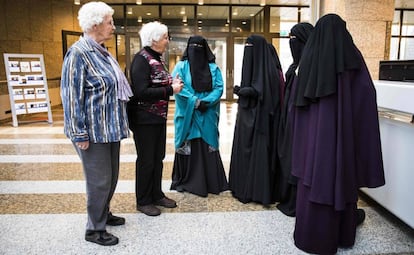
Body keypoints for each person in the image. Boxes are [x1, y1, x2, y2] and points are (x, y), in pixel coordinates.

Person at [291, 14, 385, 254]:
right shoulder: (351, 56)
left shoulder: (309, 59)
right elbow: (367, 94)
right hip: (342, 142)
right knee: (341, 177)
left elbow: (296, 104)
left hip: (313, 145)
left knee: (312, 182)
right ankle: (341, 234)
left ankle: (310, 235)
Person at [60, 1, 132, 246]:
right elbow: (71, 97)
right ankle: (94, 229)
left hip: (110, 129)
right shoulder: (78, 53)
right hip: (92, 132)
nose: (113, 26)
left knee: (110, 179)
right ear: (95, 24)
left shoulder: (102, 52)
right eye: (110, 22)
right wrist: (79, 133)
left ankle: (104, 213)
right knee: (98, 181)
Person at [127, 21, 183, 217]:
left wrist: (172, 83)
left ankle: (156, 194)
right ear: (154, 39)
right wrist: (170, 89)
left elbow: (157, 82)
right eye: (165, 37)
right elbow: (141, 91)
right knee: (146, 160)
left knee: (157, 158)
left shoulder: (155, 57)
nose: (168, 41)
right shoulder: (142, 59)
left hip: (156, 117)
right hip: (144, 119)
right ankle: (143, 200)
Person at [228, 35, 284, 206]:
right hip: (247, 117)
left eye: (250, 47)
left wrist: (247, 91)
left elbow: (266, 95)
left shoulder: (270, 72)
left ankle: (257, 191)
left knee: (258, 154)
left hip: (261, 124)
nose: (248, 51)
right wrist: (245, 91)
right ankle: (242, 186)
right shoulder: (257, 70)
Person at [170, 35, 228, 197]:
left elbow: (218, 88)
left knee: (207, 143)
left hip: (207, 113)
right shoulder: (181, 67)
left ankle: (210, 182)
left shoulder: (214, 69)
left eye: (199, 47)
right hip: (188, 113)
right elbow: (177, 86)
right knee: (189, 143)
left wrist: (206, 102)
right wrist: (195, 101)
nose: (196, 51)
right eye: (193, 46)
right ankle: (185, 181)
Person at [276, 22, 314, 217]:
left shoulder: (313, 67)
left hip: (303, 123)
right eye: (289, 39)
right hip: (290, 119)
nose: (292, 44)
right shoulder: (295, 65)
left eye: (295, 40)